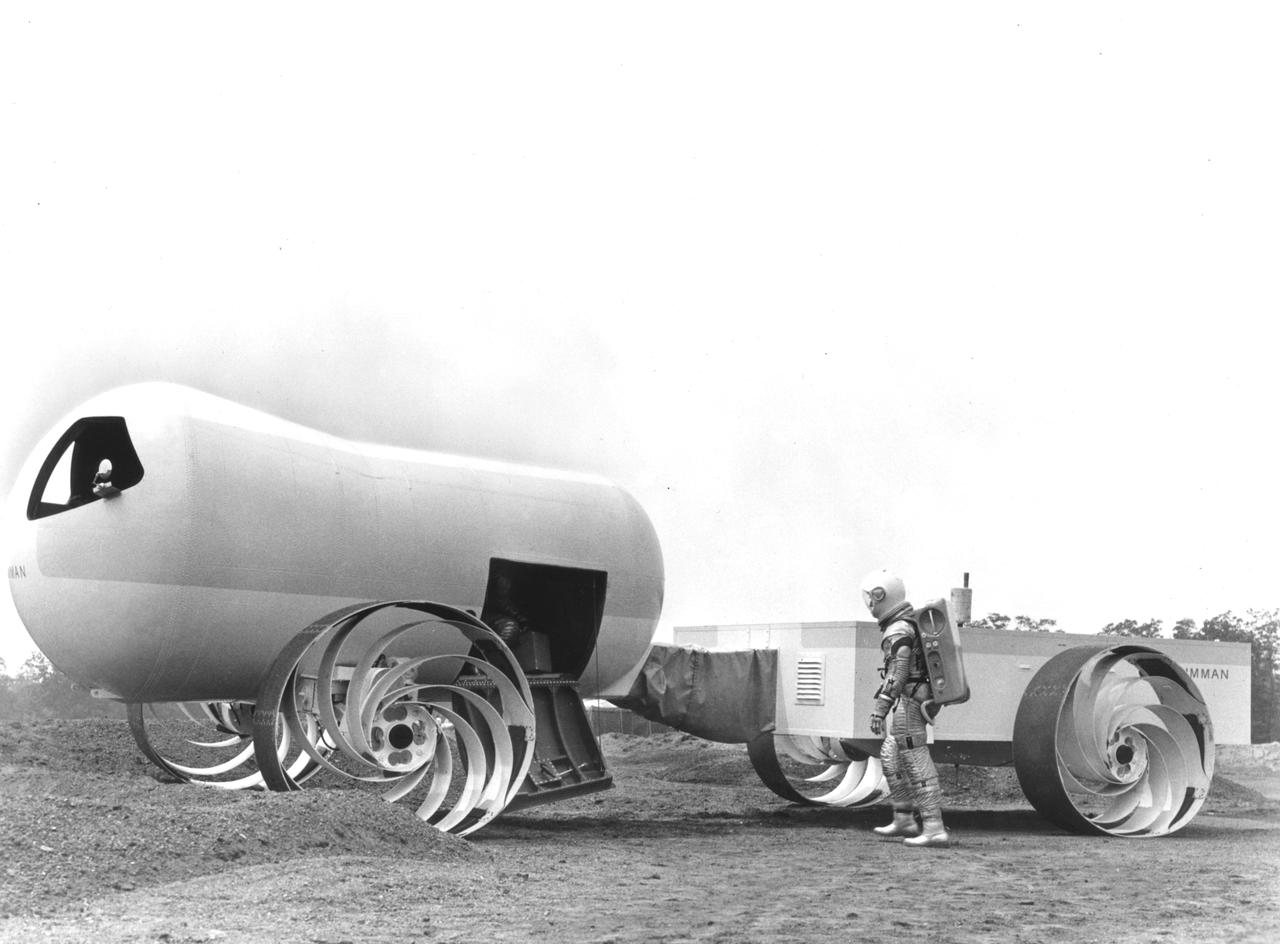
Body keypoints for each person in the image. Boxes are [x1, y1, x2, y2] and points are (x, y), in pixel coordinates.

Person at [861, 568, 950, 847]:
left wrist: (880, 707)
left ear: (879, 596)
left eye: (871, 598)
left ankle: (934, 827)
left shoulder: (898, 629)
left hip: (910, 698)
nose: (870, 604)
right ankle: (904, 817)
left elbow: (897, 673)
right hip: (912, 697)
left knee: (914, 759)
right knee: (891, 753)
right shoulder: (904, 624)